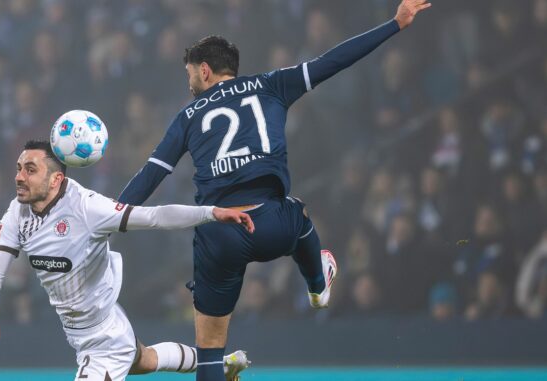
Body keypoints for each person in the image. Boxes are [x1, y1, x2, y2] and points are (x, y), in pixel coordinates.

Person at [118, 1, 431, 379]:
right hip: (272, 223)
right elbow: (334, 61)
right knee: (300, 216)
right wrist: (394, 25)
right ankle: (318, 282)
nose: (189, 84)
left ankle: (220, 364)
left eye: (190, 75)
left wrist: (110, 214)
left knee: (211, 352)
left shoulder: (187, 115)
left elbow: (152, 175)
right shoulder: (271, 84)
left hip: (219, 236)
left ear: (204, 70)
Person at [0, 140, 253, 381]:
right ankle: (223, 365)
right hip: (92, 326)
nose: (19, 177)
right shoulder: (17, 211)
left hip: (104, 341)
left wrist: (211, 212)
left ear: (56, 179)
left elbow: (155, 217)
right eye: (19, 168)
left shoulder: (88, 208)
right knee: (146, 360)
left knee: (140, 358)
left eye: (30, 170)